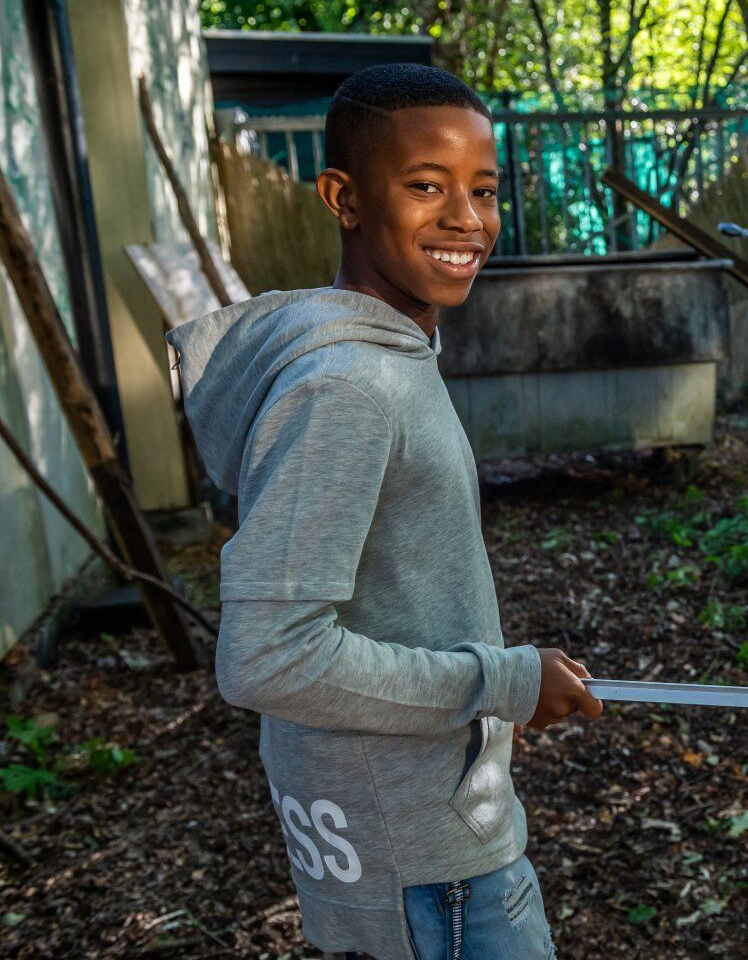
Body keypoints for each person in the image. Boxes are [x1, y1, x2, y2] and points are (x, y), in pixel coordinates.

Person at [167, 64, 601, 959]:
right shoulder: (347, 387)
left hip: (427, 833)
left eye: (484, 189)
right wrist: (501, 681)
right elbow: (267, 657)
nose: (468, 219)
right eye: (426, 187)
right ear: (345, 198)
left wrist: (505, 685)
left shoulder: (393, 354)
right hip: (425, 868)